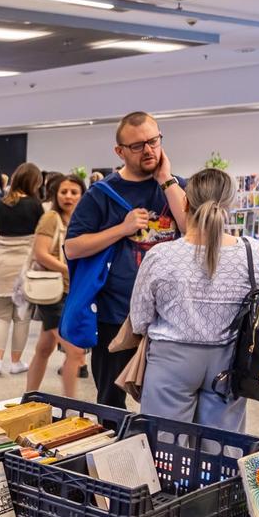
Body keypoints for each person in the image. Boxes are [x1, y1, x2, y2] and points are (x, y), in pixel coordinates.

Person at [64, 111, 187, 407]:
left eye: (154, 141)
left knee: (166, 402)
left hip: (169, 315)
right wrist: (122, 229)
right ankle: (114, 453)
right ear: (119, 152)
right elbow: (72, 247)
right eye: (137, 145)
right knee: (110, 401)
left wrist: (167, 181)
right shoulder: (101, 194)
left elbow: (193, 231)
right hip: (115, 314)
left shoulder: (176, 186)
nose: (148, 150)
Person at [130, 168, 259, 431]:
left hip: (171, 361)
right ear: (230, 205)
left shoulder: (161, 255)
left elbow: (140, 319)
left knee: (165, 449)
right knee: (222, 450)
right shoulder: (252, 253)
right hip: (229, 361)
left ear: (184, 202)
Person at [0, 162, 44, 376]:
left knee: (0, 317)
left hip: (0, 267)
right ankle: (16, 362)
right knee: (21, 318)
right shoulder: (36, 206)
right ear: (34, 182)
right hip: (24, 269)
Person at [26, 174, 88, 396]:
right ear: (55, 195)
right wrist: (67, 269)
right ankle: (71, 403)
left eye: (74, 192)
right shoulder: (51, 218)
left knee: (44, 347)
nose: (68, 197)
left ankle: (29, 396)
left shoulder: (80, 221)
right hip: (53, 292)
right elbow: (40, 253)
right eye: (64, 192)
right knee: (75, 350)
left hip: (71, 292)